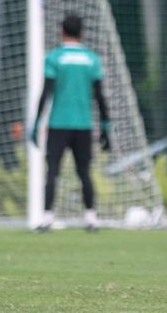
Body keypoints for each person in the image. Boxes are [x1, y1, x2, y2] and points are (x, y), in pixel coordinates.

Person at [30, 15, 111, 232]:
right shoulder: (92, 59)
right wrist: (105, 126)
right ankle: (91, 218)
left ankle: (47, 217)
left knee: (53, 170)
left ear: (62, 32)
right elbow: (100, 96)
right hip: (84, 125)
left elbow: (45, 93)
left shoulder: (55, 57)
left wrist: (37, 123)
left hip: (58, 124)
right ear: (81, 33)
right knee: (84, 171)